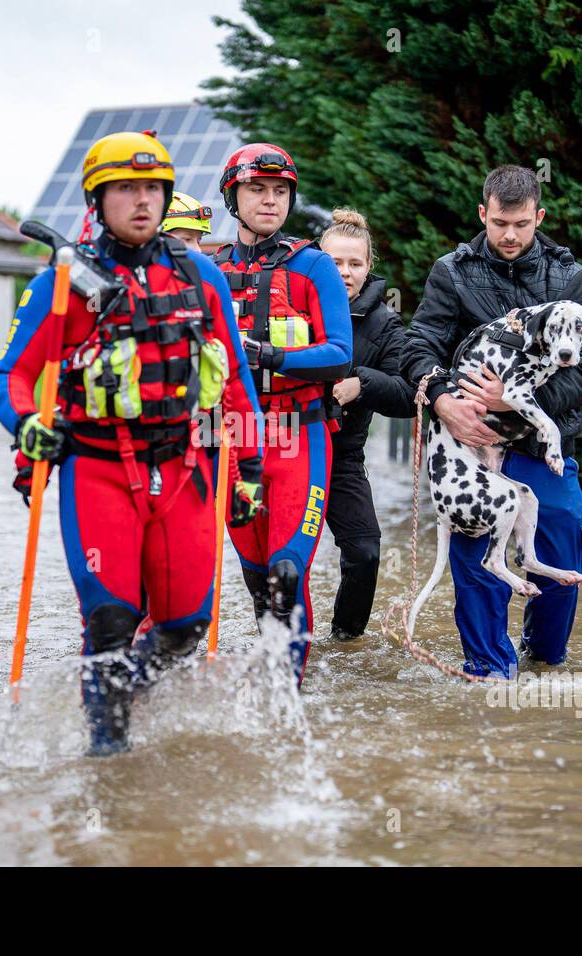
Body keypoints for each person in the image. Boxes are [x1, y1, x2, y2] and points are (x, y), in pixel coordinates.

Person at [0, 130, 266, 755]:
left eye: (151, 189)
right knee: (111, 620)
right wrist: (26, 422)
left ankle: (124, 689)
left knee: (185, 628)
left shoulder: (200, 277)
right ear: (98, 198)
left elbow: (236, 385)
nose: (141, 201)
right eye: (125, 189)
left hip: (186, 467)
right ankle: (107, 755)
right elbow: (12, 376)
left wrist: (246, 468)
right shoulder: (62, 285)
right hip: (98, 470)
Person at [400, 164, 582, 680]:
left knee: (563, 540)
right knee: (475, 560)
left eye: (520, 224)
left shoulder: (569, 277)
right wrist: (444, 398)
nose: (509, 235)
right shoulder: (451, 272)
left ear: (539, 216)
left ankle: (543, 658)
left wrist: (514, 402)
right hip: (467, 439)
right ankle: (491, 673)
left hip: (538, 441)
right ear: (482, 215)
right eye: (498, 224)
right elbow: (419, 344)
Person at [212, 143, 353, 686]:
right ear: (234, 196)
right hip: (230, 438)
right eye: (256, 190)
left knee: (286, 572)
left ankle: (292, 696)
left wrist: (267, 356)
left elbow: (340, 354)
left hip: (299, 436)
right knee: (256, 578)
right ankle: (269, 681)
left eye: (279, 191)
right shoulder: (208, 269)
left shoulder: (314, 265)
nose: (270, 200)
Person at [318, 208, 417, 641]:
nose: (344, 273)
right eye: (335, 263)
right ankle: (281, 639)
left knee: (365, 552)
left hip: (342, 458)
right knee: (281, 559)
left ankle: (345, 640)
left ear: (369, 267)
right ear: (319, 263)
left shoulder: (385, 322)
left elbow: (406, 394)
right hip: (289, 450)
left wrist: (362, 383)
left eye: (355, 263)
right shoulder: (296, 306)